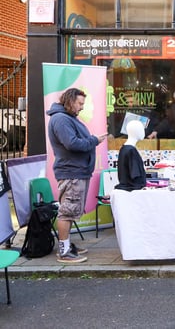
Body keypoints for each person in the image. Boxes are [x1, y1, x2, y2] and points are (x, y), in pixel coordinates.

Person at [47, 87, 108, 263]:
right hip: (72, 172)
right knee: (67, 211)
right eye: (80, 103)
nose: (81, 107)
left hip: (76, 171)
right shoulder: (61, 119)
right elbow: (72, 144)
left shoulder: (66, 118)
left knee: (72, 210)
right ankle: (64, 251)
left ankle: (67, 245)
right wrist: (94, 140)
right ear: (70, 101)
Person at [114, 120, 147, 192]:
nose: (143, 132)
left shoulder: (125, 148)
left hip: (128, 187)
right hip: (132, 189)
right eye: (142, 129)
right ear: (137, 131)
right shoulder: (131, 151)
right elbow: (135, 174)